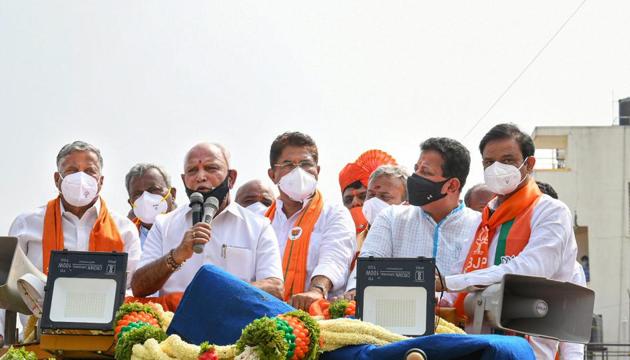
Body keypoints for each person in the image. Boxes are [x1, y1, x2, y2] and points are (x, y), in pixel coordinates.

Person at [442, 123, 579, 359]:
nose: (497, 169)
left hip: (531, 349)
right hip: (478, 344)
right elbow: (457, 278)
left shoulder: (551, 211)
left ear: (530, 164)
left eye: (507, 160)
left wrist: (449, 282)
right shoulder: (483, 219)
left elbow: (530, 270)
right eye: (488, 162)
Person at [4, 141, 142, 338]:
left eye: (89, 171)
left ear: (101, 180)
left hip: (106, 344)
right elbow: (6, 288)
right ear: (57, 179)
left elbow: (131, 291)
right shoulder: (27, 224)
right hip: (38, 343)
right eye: (71, 170)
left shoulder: (124, 229)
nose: (81, 177)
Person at [131, 143, 284, 299]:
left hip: (236, 320)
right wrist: (176, 255)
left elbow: (275, 288)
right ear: (184, 181)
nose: (201, 177)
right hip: (175, 321)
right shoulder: (163, 225)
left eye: (211, 168)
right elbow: (138, 287)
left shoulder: (259, 227)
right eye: (192, 170)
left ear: (231, 178)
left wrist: (221, 294)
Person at [355, 137, 481, 283]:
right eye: (416, 169)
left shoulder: (479, 226)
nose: (415, 177)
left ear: (452, 185)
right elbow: (368, 271)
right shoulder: (391, 218)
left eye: (425, 172)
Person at [265, 132, 355, 310]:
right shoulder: (262, 222)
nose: (298, 171)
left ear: (317, 171)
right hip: (265, 315)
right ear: (272, 174)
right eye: (288, 164)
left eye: (306, 164)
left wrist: (317, 290)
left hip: (317, 317)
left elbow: (334, 258)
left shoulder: (334, 214)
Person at [343, 164, 409, 299]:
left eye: (384, 197)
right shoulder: (352, 239)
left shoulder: (415, 236)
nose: (374, 202)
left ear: (406, 204)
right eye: (371, 195)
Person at [338, 150, 398, 234]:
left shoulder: (401, 229)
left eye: (363, 196)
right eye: (348, 200)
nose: (355, 203)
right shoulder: (336, 236)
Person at [125, 163, 177, 248]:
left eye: (154, 190)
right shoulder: (124, 238)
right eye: (138, 194)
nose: (146, 198)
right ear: (131, 203)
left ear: (172, 194)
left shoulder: (192, 228)